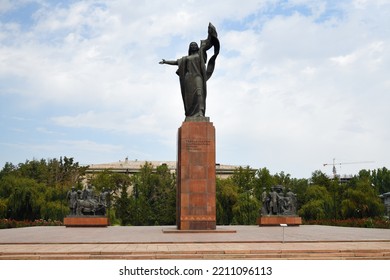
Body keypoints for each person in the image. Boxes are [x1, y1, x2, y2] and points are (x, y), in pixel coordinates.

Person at [159, 22, 219, 118]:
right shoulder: (185, 58)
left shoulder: (200, 54)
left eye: (195, 45)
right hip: (188, 78)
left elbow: (208, 42)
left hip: (197, 77)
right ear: (189, 48)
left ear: (197, 47)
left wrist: (210, 32)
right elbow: (176, 62)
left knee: (199, 93)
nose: (194, 46)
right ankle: (191, 114)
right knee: (190, 98)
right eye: (192, 45)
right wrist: (165, 61)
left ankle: (200, 112)